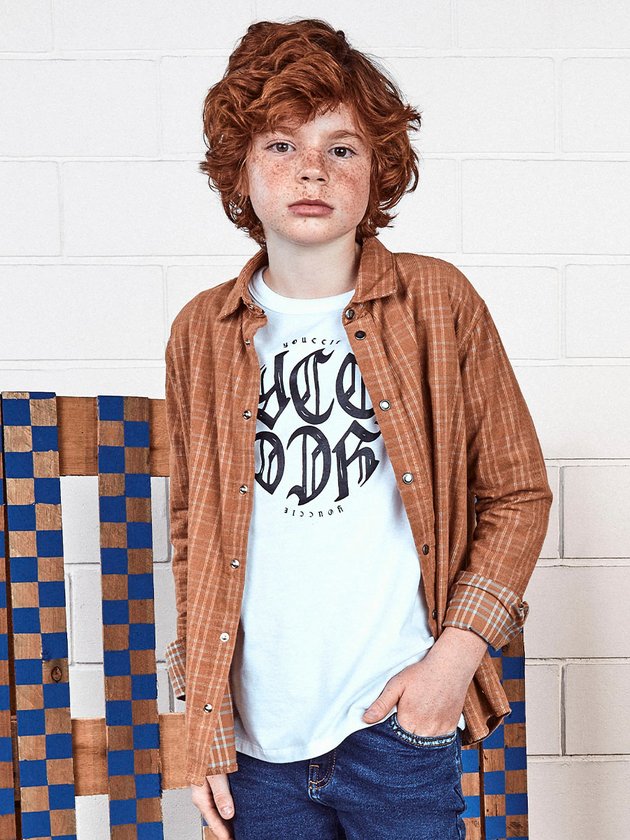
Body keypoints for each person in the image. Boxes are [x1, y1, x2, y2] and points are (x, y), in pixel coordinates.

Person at [163, 17, 553, 840]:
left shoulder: (436, 303)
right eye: (280, 145)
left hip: (397, 725)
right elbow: (195, 528)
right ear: (239, 168)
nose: (312, 169)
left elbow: (517, 493)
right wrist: (200, 720)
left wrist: (451, 666)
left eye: (340, 148)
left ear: (378, 172)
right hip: (256, 746)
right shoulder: (202, 331)